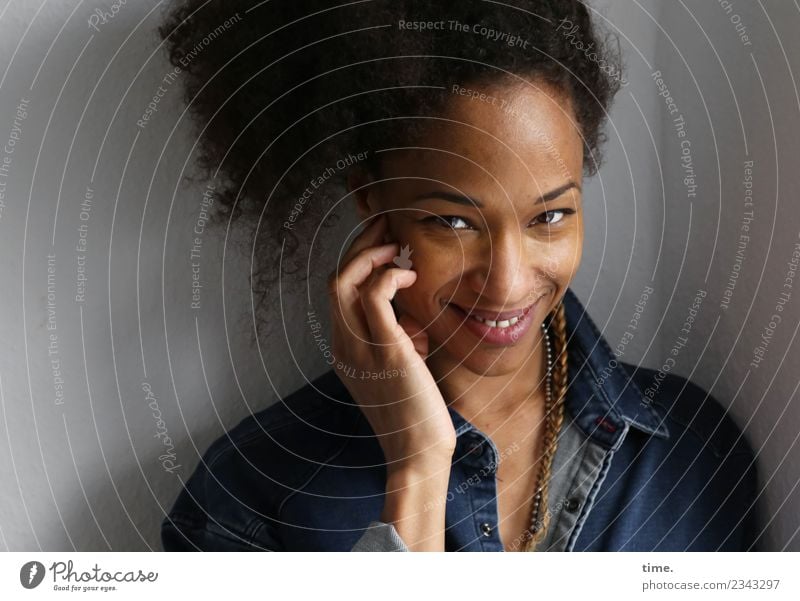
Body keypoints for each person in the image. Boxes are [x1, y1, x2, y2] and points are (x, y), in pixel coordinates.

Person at [158, 0, 760, 552]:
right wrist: (417, 465)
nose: (508, 284)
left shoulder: (694, 456)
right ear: (371, 201)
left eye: (549, 215)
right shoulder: (247, 500)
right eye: (452, 222)